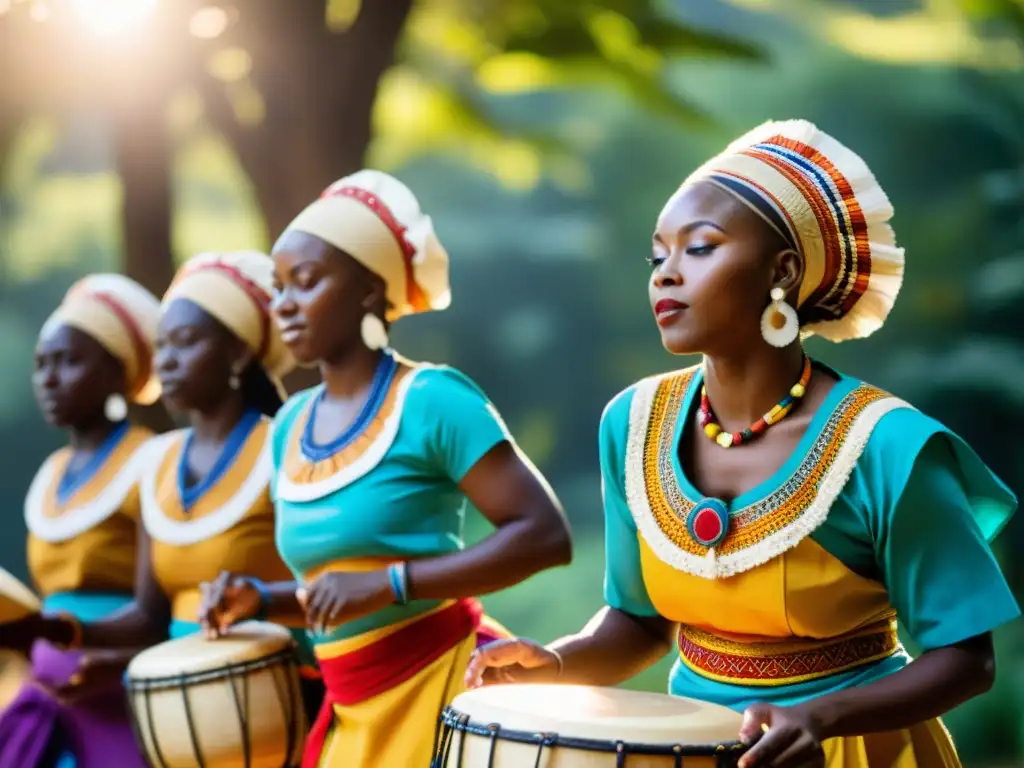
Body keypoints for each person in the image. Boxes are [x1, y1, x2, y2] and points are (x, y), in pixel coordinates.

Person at [464, 120, 1020, 768]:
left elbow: (967, 659)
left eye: (699, 249)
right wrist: (555, 661)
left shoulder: (888, 447)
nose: (666, 274)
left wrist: (819, 715)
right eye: (657, 256)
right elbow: (639, 624)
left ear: (782, 270)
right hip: (692, 750)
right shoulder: (630, 424)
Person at [198, 170, 573, 768]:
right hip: (352, 710)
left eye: (307, 281)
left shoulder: (433, 400)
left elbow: (545, 537)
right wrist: (263, 600)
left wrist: (392, 582)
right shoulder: (289, 427)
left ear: (371, 292)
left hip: (452, 690)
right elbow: (339, 593)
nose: (285, 304)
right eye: (278, 287)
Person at [0, 252, 324, 726]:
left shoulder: (285, 447)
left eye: (185, 342)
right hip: (178, 715)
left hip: (279, 702)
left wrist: (261, 599)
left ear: (237, 352)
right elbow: (150, 615)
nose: (166, 361)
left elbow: (326, 580)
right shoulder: (159, 462)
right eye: (161, 345)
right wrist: (58, 630)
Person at [0, 274, 161, 768]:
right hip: (52, 706)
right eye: (41, 364)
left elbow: (163, 606)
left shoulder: (152, 462)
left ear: (117, 374)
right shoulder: (49, 475)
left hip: (123, 702)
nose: (49, 378)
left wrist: (103, 660)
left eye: (68, 362)